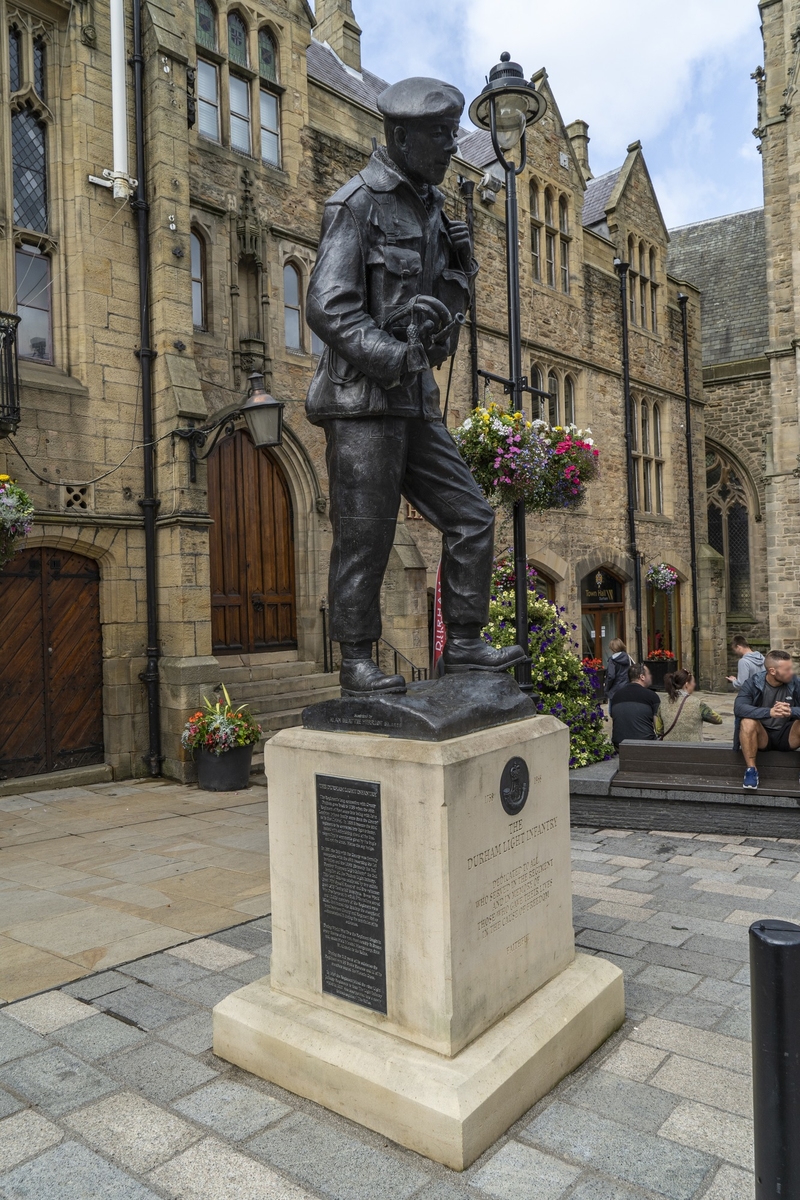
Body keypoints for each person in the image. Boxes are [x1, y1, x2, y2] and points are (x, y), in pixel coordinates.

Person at [305, 77, 528, 696]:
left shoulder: (432, 208)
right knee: (365, 533)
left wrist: (458, 272)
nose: (450, 146)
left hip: (415, 402)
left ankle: (462, 646)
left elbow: (442, 334)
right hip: (362, 403)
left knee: (472, 516)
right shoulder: (357, 203)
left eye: (453, 133)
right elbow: (328, 307)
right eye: (439, 135)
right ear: (400, 136)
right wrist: (394, 356)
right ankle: (355, 661)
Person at [734, 648, 800, 789]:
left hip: (788, 734)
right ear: (772, 671)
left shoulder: (796, 683)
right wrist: (769, 712)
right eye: (787, 670)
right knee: (747, 721)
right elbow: (739, 708)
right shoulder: (752, 683)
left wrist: (791, 711)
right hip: (762, 736)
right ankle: (751, 771)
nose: (791, 672)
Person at [659, 669, 722, 742]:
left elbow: (658, 729)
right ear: (686, 684)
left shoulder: (664, 701)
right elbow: (718, 719)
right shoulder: (696, 703)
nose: (694, 684)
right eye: (693, 682)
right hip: (693, 749)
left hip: (669, 748)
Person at [610, 662, 661, 751]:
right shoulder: (652, 696)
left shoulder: (616, 696)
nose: (650, 676)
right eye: (648, 674)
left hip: (620, 745)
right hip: (645, 745)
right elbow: (658, 727)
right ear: (642, 677)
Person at [604, 638, 633, 711]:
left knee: (613, 712)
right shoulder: (628, 657)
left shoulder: (612, 660)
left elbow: (611, 676)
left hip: (615, 691)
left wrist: (607, 688)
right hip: (627, 688)